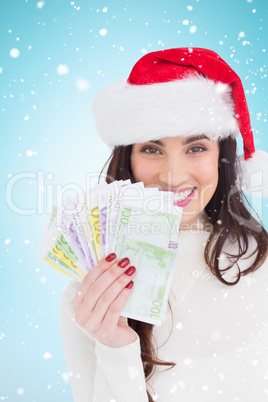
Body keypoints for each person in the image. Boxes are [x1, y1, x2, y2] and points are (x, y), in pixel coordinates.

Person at [59, 48, 268, 402]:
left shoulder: (261, 268)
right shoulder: (88, 294)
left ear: (223, 158)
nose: (172, 175)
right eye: (152, 149)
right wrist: (117, 348)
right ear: (128, 160)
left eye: (196, 147)